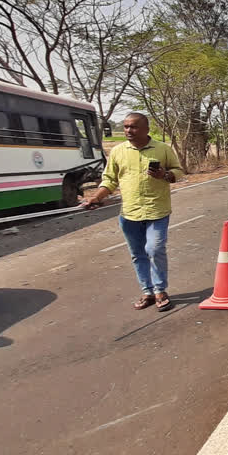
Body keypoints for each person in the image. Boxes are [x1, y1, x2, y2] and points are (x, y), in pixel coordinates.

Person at [82, 112, 183, 312]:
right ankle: (147, 292)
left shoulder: (162, 149)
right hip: (129, 213)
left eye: (134, 127)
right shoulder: (118, 151)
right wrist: (97, 197)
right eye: (126, 126)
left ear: (146, 129)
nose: (128, 130)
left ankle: (160, 290)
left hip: (157, 210)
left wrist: (165, 174)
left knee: (154, 249)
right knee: (138, 254)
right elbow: (110, 179)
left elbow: (178, 171)